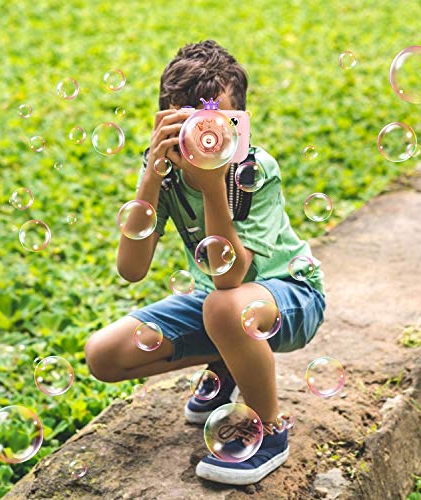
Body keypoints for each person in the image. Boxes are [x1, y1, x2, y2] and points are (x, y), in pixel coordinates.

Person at [84, 39, 326, 486]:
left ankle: (270, 430)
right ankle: (230, 359)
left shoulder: (251, 170)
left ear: (241, 121)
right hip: (224, 306)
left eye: (218, 122)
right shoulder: (166, 170)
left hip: (291, 296)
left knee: (222, 305)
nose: (207, 137)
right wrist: (151, 176)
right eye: (190, 122)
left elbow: (230, 275)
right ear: (165, 123)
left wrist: (213, 185)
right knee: (104, 355)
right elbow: (131, 268)